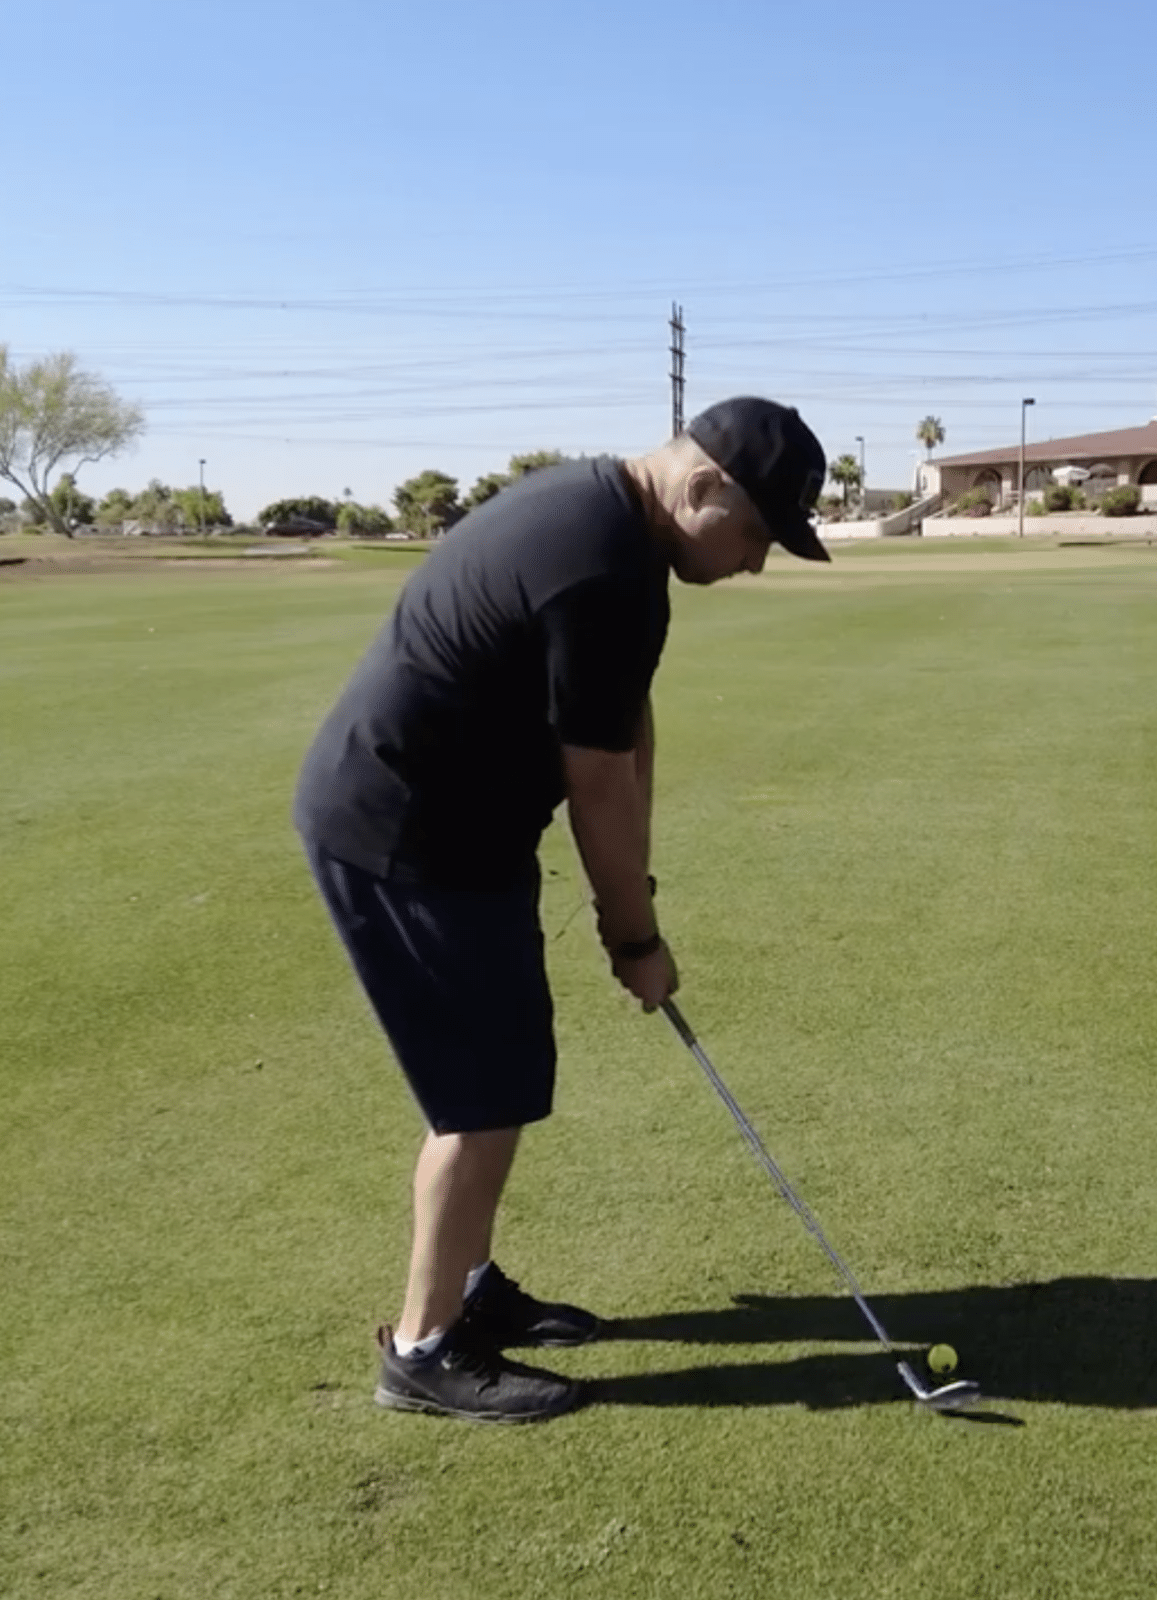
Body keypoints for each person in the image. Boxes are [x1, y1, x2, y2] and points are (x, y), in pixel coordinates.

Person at [293, 397, 828, 1423]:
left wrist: (640, 897)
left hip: (464, 831)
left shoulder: (612, 530)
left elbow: (626, 732)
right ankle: (422, 1350)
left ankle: (471, 1289)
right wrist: (632, 935)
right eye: (757, 534)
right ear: (702, 485)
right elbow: (594, 787)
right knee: (482, 1096)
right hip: (405, 833)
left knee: (503, 1068)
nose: (757, 563)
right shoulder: (604, 563)